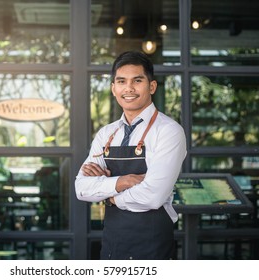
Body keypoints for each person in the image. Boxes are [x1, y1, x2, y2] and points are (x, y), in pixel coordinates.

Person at [75, 50, 187, 260]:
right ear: (113, 89)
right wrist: (122, 181)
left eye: (137, 80)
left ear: (151, 86)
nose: (129, 88)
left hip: (152, 246)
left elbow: (153, 197)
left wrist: (109, 194)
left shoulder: (168, 131)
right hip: (112, 245)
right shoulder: (106, 134)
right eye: (121, 81)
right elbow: (81, 189)